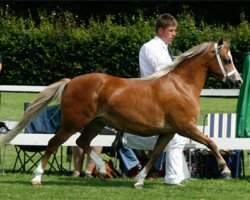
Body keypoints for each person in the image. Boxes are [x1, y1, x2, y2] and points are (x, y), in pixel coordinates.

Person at [120, 13, 190, 185]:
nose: (174, 34)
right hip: (153, 98)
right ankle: (173, 178)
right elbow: (165, 73)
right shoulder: (151, 47)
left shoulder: (163, 48)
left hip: (161, 97)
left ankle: (176, 177)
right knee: (176, 138)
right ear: (160, 30)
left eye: (175, 31)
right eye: (171, 30)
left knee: (177, 138)